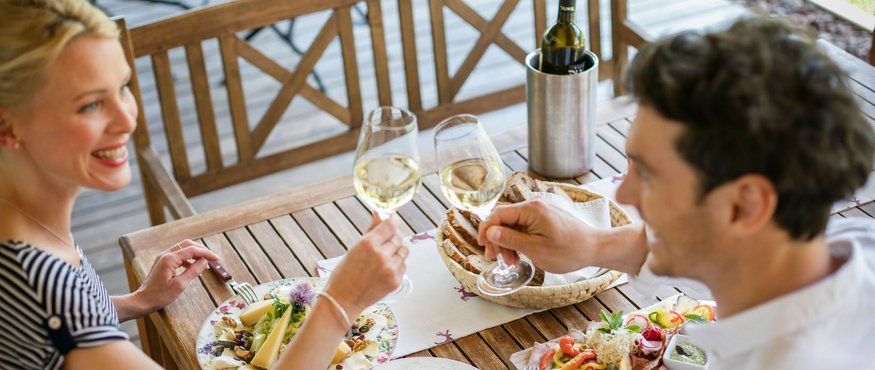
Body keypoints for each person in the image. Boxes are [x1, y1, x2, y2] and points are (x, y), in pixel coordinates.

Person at [0, 0, 406, 369]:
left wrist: (135, 302)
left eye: (123, 87)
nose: (126, 120)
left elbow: (56, 329)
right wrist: (340, 302)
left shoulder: (26, 222)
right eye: (90, 103)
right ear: (8, 124)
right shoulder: (41, 286)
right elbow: (54, 312)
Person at [478, 16, 875, 369]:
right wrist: (593, 244)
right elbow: (714, 246)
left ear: (745, 205)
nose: (625, 193)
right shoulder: (833, 257)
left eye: (649, 175)